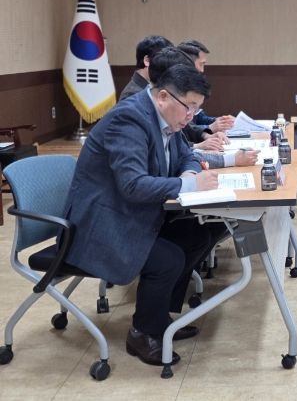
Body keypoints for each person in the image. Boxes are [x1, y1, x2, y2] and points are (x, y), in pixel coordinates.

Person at [63, 64, 217, 367]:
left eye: (197, 108)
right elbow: (133, 185)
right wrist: (189, 184)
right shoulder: (129, 119)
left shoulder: (168, 117)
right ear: (163, 96)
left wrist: (189, 174)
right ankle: (143, 333)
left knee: (198, 234)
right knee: (167, 258)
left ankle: (160, 319)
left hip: (131, 213)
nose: (192, 116)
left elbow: (187, 155)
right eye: (189, 106)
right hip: (99, 226)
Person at [177, 40, 235, 133]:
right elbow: (182, 129)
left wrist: (218, 121)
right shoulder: (176, 87)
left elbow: (198, 116)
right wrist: (209, 128)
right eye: (201, 64)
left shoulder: (192, 83)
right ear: (187, 63)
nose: (202, 70)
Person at [119, 35, 173, 100]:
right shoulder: (131, 95)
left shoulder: (153, 86)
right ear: (147, 60)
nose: (167, 68)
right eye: (162, 62)